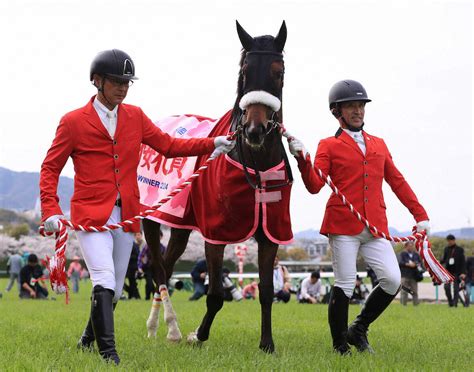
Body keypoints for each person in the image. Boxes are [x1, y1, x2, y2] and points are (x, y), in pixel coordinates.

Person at [39, 49, 235, 365]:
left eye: (127, 82)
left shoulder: (136, 116)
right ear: (97, 81)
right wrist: (50, 208)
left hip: (128, 213)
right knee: (103, 278)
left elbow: (170, 146)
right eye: (117, 81)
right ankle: (109, 354)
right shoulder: (73, 122)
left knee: (115, 291)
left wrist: (211, 143)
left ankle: (87, 339)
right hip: (91, 215)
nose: (123, 87)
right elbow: (50, 168)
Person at [289, 79, 430, 354]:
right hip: (343, 226)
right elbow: (315, 185)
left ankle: (359, 328)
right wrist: (302, 159)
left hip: (376, 226)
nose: (358, 111)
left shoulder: (379, 144)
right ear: (336, 112)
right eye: (351, 106)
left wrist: (420, 214)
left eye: (361, 105)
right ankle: (340, 345)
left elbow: (397, 181)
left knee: (391, 279)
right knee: (345, 282)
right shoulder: (328, 144)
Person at [440, 234, 466, 307]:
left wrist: (463, 272)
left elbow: (463, 261)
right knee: (446, 288)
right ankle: (450, 302)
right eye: (448, 241)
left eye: (450, 241)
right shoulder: (446, 249)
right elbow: (444, 259)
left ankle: (455, 304)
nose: (449, 242)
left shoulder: (460, 249)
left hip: (457, 272)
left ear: (454, 240)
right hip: (448, 272)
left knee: (456, 289)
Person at [137, 231, 161, 300]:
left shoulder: (162, 247)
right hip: (148, 268)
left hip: (157, 268)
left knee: (158, 283)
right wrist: (139, 267)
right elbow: (140, 256)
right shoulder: (147, 247)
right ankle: (149, 297)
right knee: (149, 283)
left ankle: (154, 297)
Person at [399, 241, 423, 306]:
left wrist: (416, 264)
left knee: (414, 291)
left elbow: (420, 263)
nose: (411, 247)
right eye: (409, 246)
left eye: (412, 246)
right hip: (404, 275)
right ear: (406, 246)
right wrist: (408, 264)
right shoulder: (402, 254)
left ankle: (416, 305)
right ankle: (403, 305)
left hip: (414, 276)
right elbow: (400, 263)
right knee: (404, 292)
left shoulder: (416, 254)